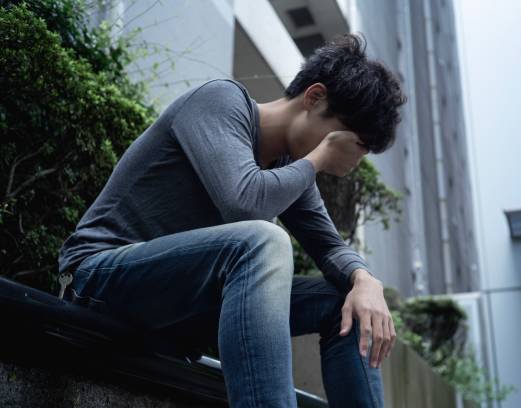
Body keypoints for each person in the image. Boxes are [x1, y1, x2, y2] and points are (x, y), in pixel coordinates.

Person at [57, 32, 407, 407]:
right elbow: (244, 204)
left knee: (348, 301)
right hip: (96, 281)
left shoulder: (290, 169)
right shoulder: (220, 101)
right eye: (352, 143)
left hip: (182, 313)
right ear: (315, 97)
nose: (353, 160)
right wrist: (320, 158)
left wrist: (365, 281)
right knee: (264, 240)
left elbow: (330, 246)